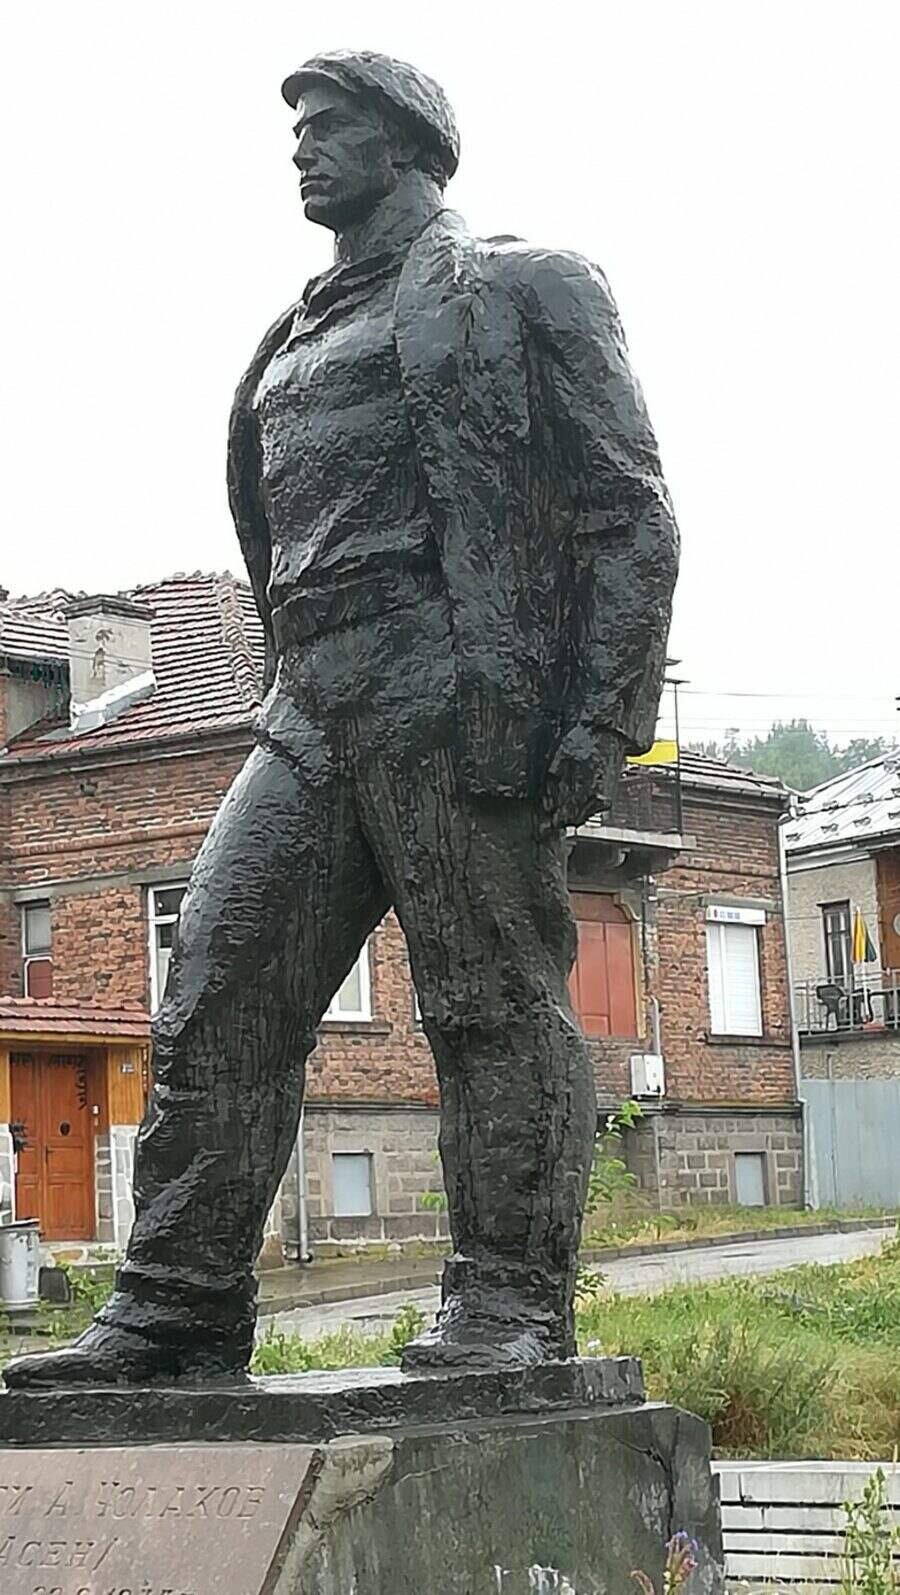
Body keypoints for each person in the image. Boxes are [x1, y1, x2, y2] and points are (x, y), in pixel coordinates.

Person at [5, 50, 677, 1387]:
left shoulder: (525, 285)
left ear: (409, 141)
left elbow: (630, 512)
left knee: (488, 1001)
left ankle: (509, 1311)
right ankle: (178, 1312)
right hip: (310, 696)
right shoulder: (292, 335)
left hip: (455, 689)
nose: (302, 150)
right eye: (298, 131)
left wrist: (600, 716)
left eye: (329, 127)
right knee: (216, 987)